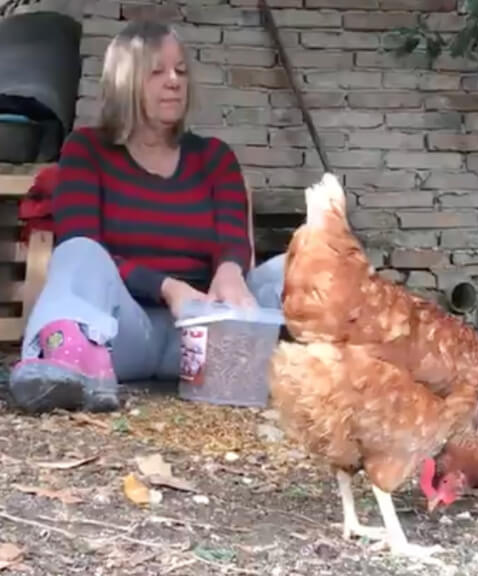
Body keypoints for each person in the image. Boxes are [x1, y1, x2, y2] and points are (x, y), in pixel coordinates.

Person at [6, 20, 285, 414]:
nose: (174, 81)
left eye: (181, 71)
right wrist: (166, 287)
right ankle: (64, 368)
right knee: (79, 252)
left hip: (206, 337)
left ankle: (341, 371)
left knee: (305, 265)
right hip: (120, 333)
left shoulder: (214, 157)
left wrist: (230, 270)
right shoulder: (87, 149)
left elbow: (232, 235)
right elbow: (79, 237)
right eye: (157, 71)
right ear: (124, 81)